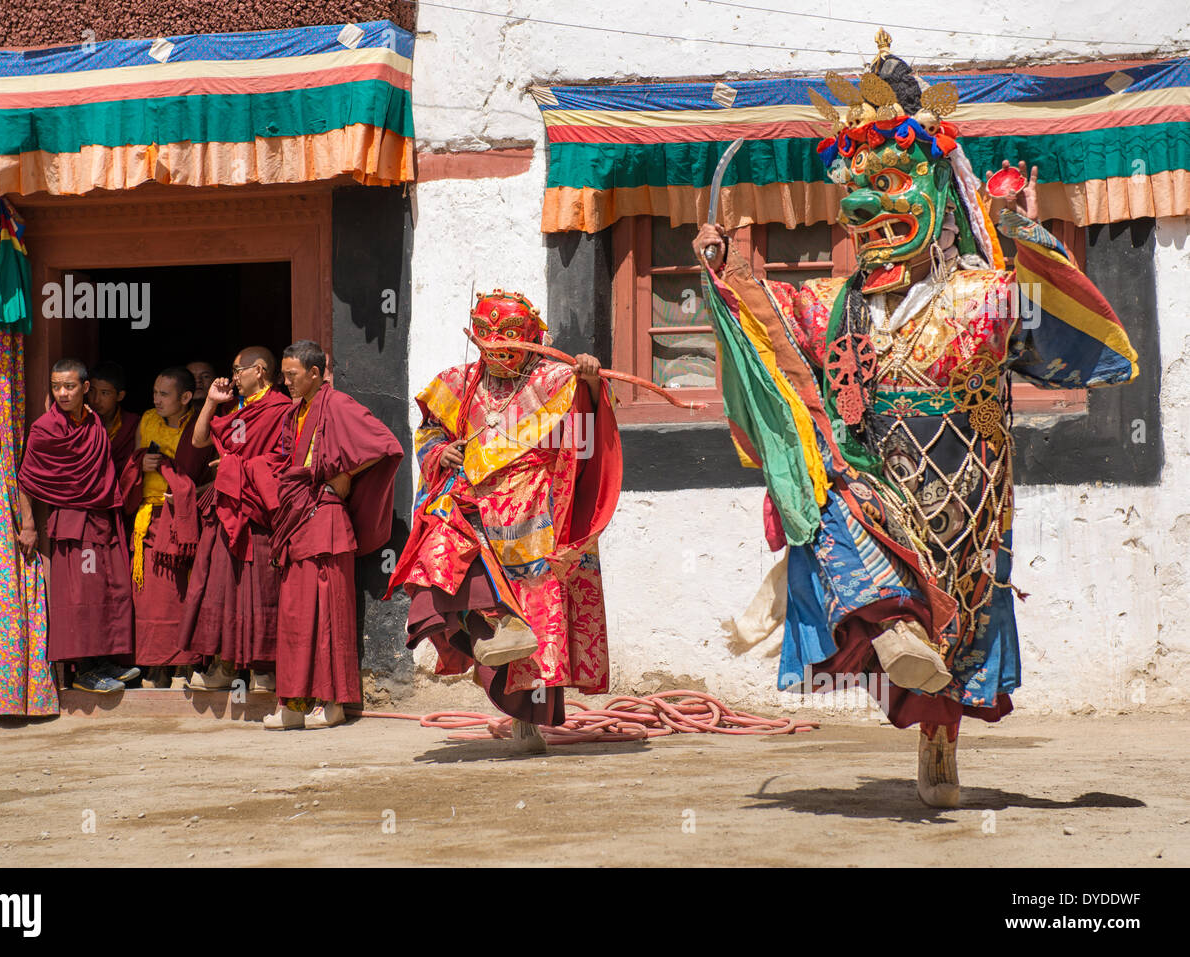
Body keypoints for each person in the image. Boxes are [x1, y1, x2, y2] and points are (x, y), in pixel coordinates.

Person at [692, 32, 1139, 806]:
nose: (866, 206)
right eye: (855, 193)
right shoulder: (842, 307)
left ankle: (939, 746)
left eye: (892, 182)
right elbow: (771, 329)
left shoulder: (983, 293)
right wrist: (728, 273)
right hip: (882, 488)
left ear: (938, 188)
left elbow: (1048, 331)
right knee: (819, 488)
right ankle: (890, 624)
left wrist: (1015, 233)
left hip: (966, 501)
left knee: (958, 637)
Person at [385, 290, 622, 753]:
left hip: (535, 507)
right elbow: (432, 430)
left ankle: (527, 721)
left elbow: (586, 440)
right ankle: (487, 631)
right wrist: (439, 451)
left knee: (535, 609)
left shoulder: (555, 382)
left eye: (511, 345)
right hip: (471, 500)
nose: (499, 356)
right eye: (490, 346)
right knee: (437, 555)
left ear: (532, 340)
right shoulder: (457, 382)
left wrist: (591, 386)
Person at [257, 340, 402, 730]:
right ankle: (292, 704)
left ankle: (332, 703)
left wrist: (346, 474)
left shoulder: (335, 404)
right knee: (294, 615)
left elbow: (385, 444)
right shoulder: (296, 412)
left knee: (328, 613)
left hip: (326, 520)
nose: (286, 382)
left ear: (316, 374)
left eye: (292, 375)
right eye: (284, 375)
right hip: (298, 518)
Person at [17, 358, 136, 692]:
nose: (62, 394)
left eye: (69, 387)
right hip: (73, 523)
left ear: (85, 388)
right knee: (80, 594)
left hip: (101, 518)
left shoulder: (94, 421)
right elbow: (26, 478)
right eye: (56, 387)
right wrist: (28, 525)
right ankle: (83, 670)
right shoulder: (45, 428)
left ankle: (103, 661)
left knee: (109, 591)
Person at [180, 347, 293, 691]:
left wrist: (234, 468)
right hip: (226, 506)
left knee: (261, 588)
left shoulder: (282, 410)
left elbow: (283, 460)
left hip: (258, 507)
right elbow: (200, 440)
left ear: (258, 370)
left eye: (237, 371)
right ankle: (224, 668)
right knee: (220, 586)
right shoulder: (234, 408)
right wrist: (212, 402)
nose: (232, 379)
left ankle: (263, 671)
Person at [117, 366, 216, 686]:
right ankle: (155, 665)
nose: (157, 400)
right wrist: (138, 464)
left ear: (186, 398)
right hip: (149, 519)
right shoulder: (146, 421)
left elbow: (216, 478)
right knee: (150, 598)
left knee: (184, 593)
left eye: (164, 394)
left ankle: (185, 664)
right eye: (155, 393)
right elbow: (131, 465)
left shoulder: (201, 428)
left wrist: (187, 493)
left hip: (186, 522)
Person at [87, 361, 140, 481]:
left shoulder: (132, 424)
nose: (96, 400)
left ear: (120, 396)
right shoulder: (80, 421)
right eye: (92, 391)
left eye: (104, 393)